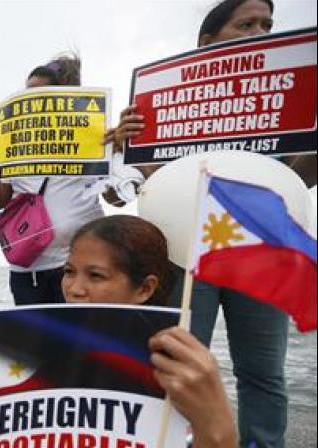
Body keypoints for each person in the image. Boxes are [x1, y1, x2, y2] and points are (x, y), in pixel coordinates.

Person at [109, 1, 291, 445]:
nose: (260, 31)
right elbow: (144, 186)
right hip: (185, 250)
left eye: (267, 24)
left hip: (259, 249)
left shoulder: (285, 101)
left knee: (263, 374)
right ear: (207, 43)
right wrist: (126, 146)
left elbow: (293, 176)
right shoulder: (165, 104)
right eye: (246, 24)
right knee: (173, 362)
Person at [63, 215, 237, 448]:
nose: (74, 289)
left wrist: (216, 426)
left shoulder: (174, 373)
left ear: (145, 289)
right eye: (69, 271)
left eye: (96, 275)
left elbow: (213, 435)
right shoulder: (44, 351)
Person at [0, 56, 105, 306]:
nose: (32, 101)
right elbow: (0, 200)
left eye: (39, 95)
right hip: (26, 269)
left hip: (76, 266)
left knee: (75, 343)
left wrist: (117, 144)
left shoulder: (93, 135)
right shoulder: (13, 139)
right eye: (28, 94)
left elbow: (117, 197)